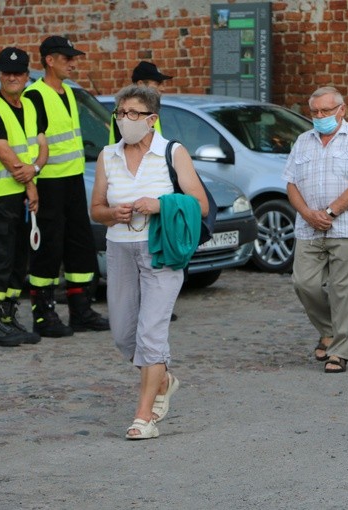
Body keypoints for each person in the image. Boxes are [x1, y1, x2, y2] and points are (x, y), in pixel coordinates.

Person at [91, 85, 208, 439]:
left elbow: (199, 204)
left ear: (152, 119)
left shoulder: (172, 152)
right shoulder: (107, 156)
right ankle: (164, 379)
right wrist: (113, 212)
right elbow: (95, 210)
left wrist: (160, 205)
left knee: (151, 332)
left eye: (133, 113)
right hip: (120, 249)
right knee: (125, 335)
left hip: (161, 249)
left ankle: (144, 417)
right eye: (120, 113)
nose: (125, 120)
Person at [283, 86, 348, 373]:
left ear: (342, 110)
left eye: (326, 110)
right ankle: (328, 329)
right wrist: (307, 213)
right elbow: (291, 183)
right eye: (315, 112)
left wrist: (330, 211)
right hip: (308, 227)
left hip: (346, 226)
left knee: (343, 291)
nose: (320, 116)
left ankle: (339, 351)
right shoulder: (303, 141)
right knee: (304, 283)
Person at [22, 36, 109, 337]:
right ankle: (43, 315)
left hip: (73, 180)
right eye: (67, 57)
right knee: (48, 248)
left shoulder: (69, 93)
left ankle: (80, 310)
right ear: (49, 60)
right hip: (47, 183)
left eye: (74, 57)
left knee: (80, 245)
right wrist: (31, 184)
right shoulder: (34, 95)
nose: (74, 62)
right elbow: (32, 143)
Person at [0, 47, 46, 347]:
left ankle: (7, 317)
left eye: (18, 73)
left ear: (27, 75)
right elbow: (4, 151)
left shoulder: (29, 106)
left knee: (16, 260)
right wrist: (30, 183)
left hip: (20, 198)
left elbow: (41, 145)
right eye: (7, 72)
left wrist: (35, 169)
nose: (12, 77)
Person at [108, 61, 171, 144]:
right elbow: (129, 150)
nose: (163, 88)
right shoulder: (124, 112)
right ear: (141, 84)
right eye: (157, 83)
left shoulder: (152, 107)